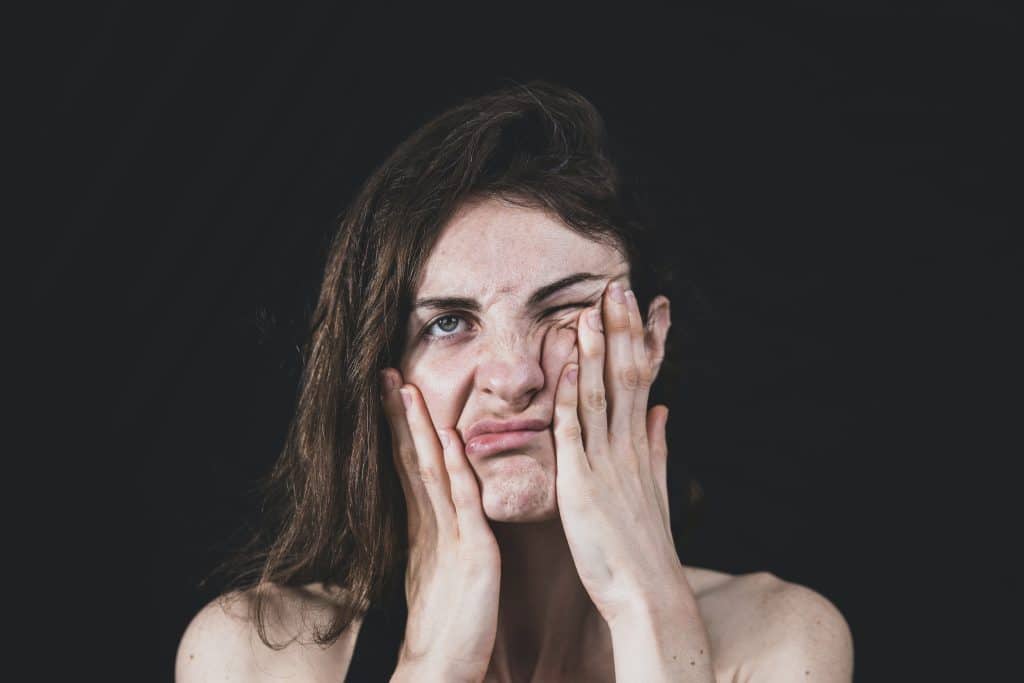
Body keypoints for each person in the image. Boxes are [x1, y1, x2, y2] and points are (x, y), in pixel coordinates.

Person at [175, 80, 854, 682]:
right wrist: (433, 665)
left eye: (563, 311)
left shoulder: (779, 638)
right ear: (383, 370)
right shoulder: (259, 653)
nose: (514, 376)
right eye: (446, 322)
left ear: (648, 342)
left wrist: (649, 609)